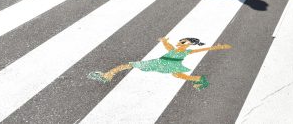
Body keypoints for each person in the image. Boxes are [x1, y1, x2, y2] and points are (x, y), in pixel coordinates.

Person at [88, 37, 231, 90]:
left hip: (166, 64)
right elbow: (168, 48)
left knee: (178, 75)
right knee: (178, 75)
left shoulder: (186, 52)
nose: (180, 42)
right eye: (181, 40)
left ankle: (107, 75)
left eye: (183, 41)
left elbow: (203, 49)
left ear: (188, 44)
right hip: (162, 62)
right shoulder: (175, 49)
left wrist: (217, 47)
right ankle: (108, 75)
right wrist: (164, 41)